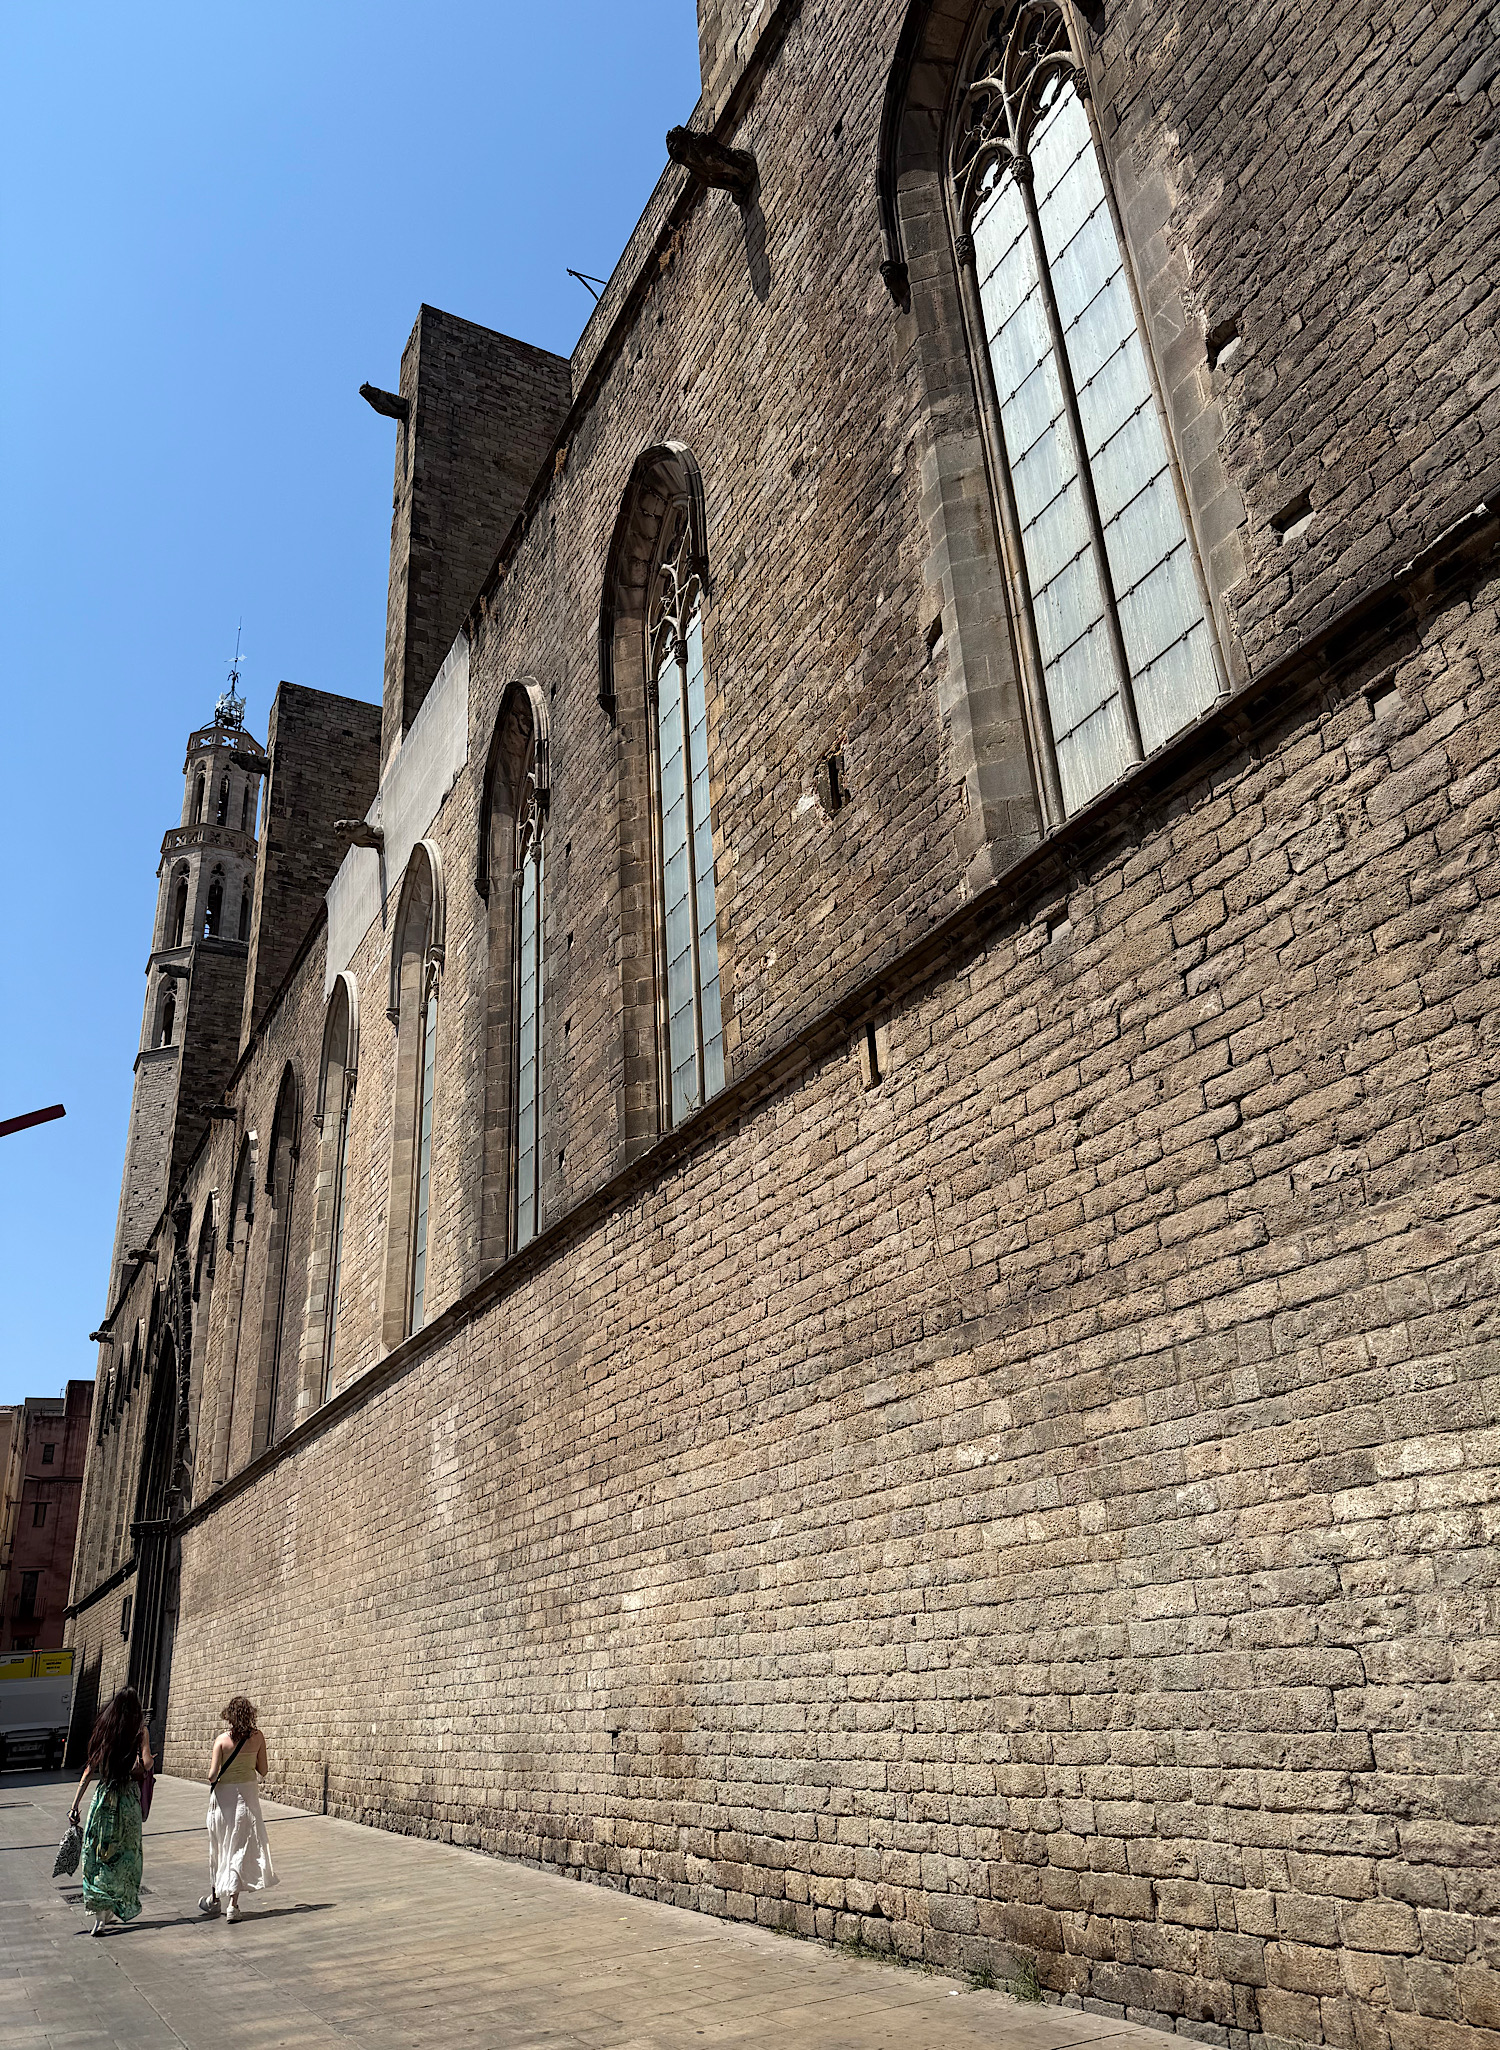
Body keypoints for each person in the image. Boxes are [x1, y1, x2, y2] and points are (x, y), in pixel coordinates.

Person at [69, 1685, 152, 1935]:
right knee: (126, 1855)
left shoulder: (105, 1730)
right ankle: (112, 1906)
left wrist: (74, 1806)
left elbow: (88, 1772)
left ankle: (100, 1912)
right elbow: (147, 1763)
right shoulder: (140, 1731)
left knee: (98, 1853)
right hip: (128, 1801)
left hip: (103, 1799)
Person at [199, 1695, 276, 1922]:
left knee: (220, 1846)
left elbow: (212, 1775)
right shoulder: (258, 1737)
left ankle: (215, 1899)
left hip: (223, 1800)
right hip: (247, 1798)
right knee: (239, 1848)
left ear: (229, 1716)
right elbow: (263, 1770)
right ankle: (233, 1905)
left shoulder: (221, 1740)